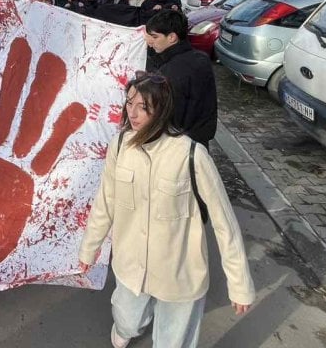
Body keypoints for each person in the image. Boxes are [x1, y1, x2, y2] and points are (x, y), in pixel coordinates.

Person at [79, 72, 254, 348]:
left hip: (180, 272)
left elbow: (225, 223)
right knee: (128, 319)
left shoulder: (191, 155)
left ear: (161, 110)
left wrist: (239, 284)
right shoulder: (120, 147)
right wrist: (90, 248)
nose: (133, 114)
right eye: (129, 104)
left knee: (174, 343)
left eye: (143, 107)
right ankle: (127, 327)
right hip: (131, 264)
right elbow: (106, 201)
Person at [144, 10, 217, 146]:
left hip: (179, 143)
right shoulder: (201, 58)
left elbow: (169, 114)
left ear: (172, 37)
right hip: (199, 139)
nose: (150, 42)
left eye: (154, 37)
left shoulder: (171, 71)